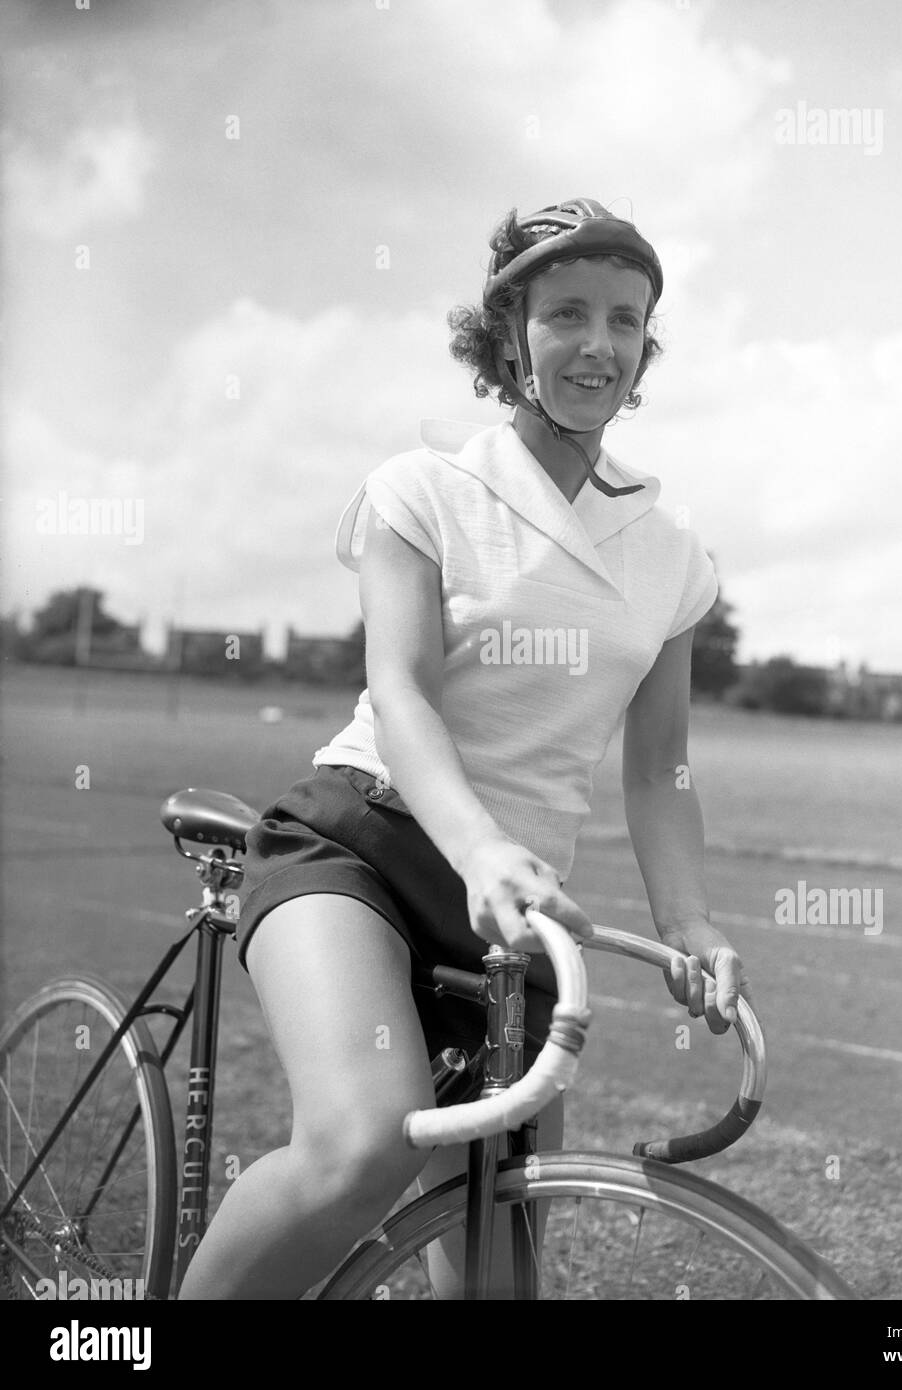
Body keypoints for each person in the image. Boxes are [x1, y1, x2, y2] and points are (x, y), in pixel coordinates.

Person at [177, 196, 752, 1299]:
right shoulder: (423, 490)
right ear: (507, 339)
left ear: (646, 350)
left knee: (494, 1264)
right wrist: (480, 844)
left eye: (626, 321)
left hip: (516, 912)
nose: (599, 344)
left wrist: (689, 917)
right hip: (361, 845)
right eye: (566, 314)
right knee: (364, 1142)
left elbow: (659, 763)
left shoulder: (674, 551)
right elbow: (401, 693)